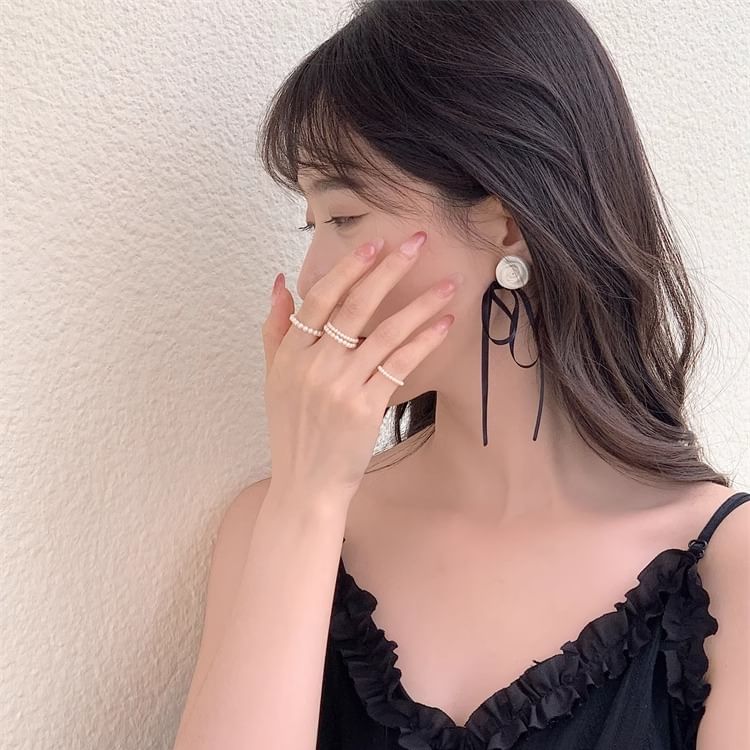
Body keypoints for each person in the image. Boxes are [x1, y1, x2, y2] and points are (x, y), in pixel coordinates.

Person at [171, 2, 749, 749]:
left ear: (506, 225)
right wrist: (306, 500)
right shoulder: (271, 526)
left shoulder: (728, 568)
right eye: (310, 226)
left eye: (343, 218)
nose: (311, 279)